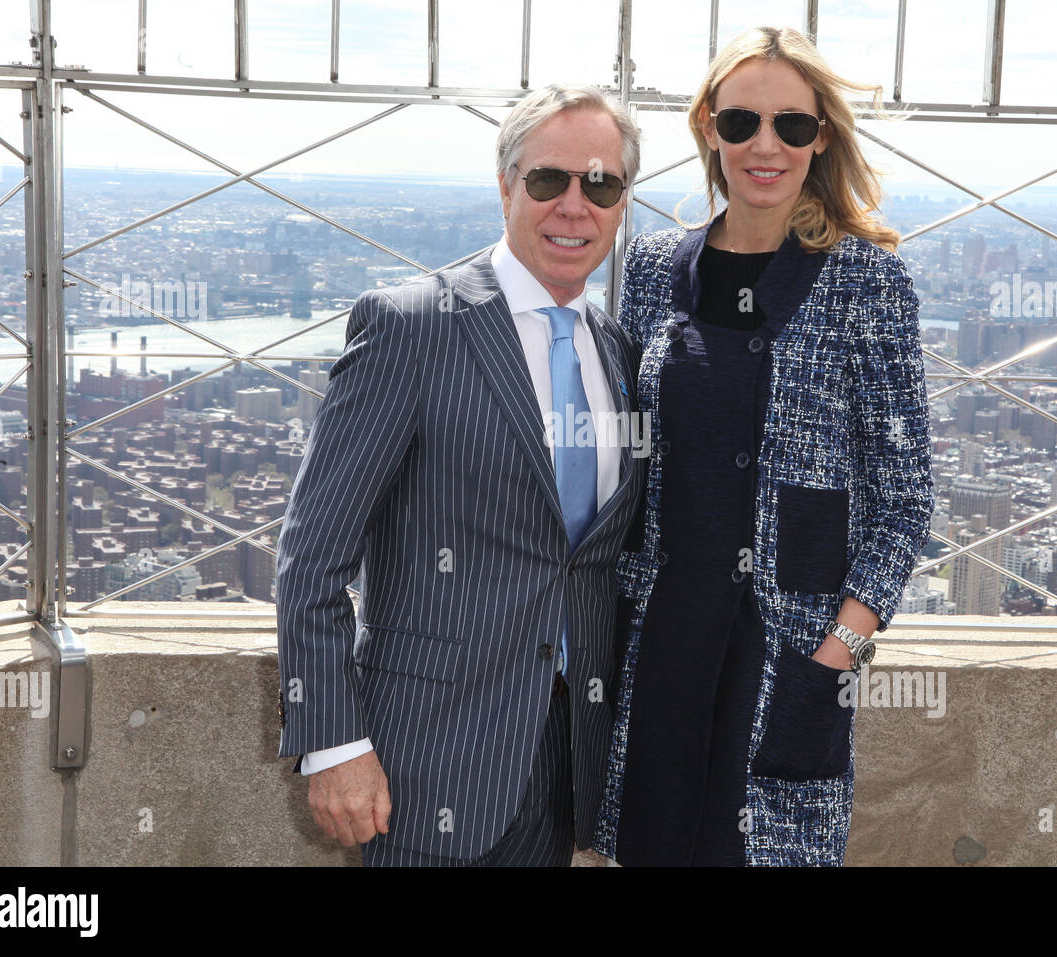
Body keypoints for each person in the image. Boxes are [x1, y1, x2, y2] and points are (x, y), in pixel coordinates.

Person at [276, 84, 644, 867]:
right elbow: (312, 557)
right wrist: (333, 743)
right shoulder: (412, 325)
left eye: (601, 184)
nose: (575, 206)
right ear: (505, 184)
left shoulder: (617, 352)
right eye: (549, 180)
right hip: (424, 767)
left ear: (621, 202)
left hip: (565, 778)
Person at [594, 26, 934, 866]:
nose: (766, 145)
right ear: (708, 125)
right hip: (658, 648)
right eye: (742, 121)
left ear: (822, 139)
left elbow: (907, 498)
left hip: (784, 659)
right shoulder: (649, 268)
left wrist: (837, 654)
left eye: (793, 125)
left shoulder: (865, 281)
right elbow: (623, 453)